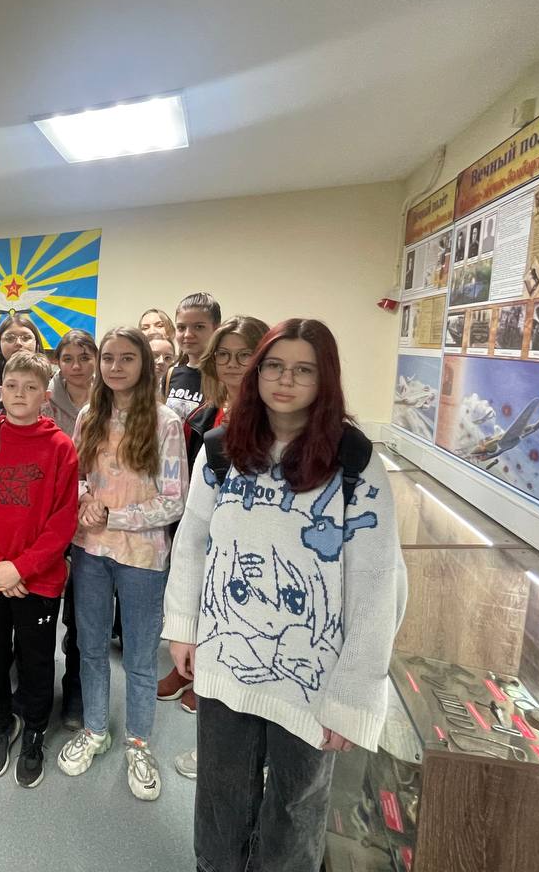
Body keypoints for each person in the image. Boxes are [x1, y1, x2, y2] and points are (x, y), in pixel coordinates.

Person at [164, 319, 407, 872]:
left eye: (303, 370)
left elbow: (377, 584)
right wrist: (183, 627)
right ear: (257, 373)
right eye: (274, 366)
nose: (286, 380)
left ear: (326, 379)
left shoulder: (354, 462)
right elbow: (193, 541)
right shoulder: (223, 450)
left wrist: (355, 694)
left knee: (296, 802)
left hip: (312, 673)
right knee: (221, 792)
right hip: (227, 655)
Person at [56, 327, 188, 801]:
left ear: (143, 364)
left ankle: (138, 742)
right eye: (108, 357)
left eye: (126, 358)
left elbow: (174, 500)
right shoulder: (89, 415)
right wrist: (85, 500)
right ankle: (95, 729)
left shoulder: (166, 423)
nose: (115, 367)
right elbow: (74, 476)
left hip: (142, 558)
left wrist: (114, 515)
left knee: (139, 657)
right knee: (90, 647)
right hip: (90, 551)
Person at [0, 350, 78, 789]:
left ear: (45, 396)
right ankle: (1, 721)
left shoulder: (60, 447)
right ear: (0, 390)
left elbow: (63, 520)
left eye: (31, 387)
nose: (20, 394)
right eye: (12, 386)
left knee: (36, 660)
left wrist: (21, 569)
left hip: (38, 581)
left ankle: (34, 730)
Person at [156, 315, 269, 777]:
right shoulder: (214, 415)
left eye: (245, 355)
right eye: (224, 355)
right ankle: (200, 694)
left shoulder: (274, 420)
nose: (233, 364)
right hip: (209, 539)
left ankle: (236, 754)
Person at [44, 328, 98, 730]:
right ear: (57, 362)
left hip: (91, 516)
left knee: (82, 611)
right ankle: (36, 682)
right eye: (68, 358)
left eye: (84, 357)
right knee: (44, 603)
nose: (76, 366)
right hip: (49, 513)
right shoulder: (45, 398)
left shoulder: (109, 398)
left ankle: (75, 688)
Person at [166, 292, 223, 419]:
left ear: (216, 329)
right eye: (181, 327)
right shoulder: (170, 375)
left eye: (198, 327)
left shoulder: (225, 376)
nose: (188, 335)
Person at [0, 313, 45, 413]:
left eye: (26, 338)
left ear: (37, 344)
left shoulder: (53, 384)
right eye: (10, 338)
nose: (18, 343)